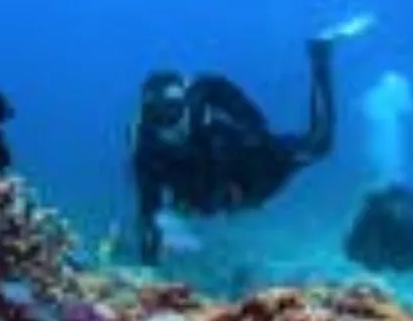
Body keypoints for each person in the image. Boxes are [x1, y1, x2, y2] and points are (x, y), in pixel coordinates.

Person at [128, 14, 373, 265]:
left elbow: (237, 105)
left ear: (184, 103)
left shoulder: (203, 96)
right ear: (146, 114)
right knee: (192, 203)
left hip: (252, 165)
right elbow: (148, 204)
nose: (168, 123)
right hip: (211, 191)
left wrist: (252, 141)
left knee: (320, 143)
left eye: (173, 110)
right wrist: (150, 254)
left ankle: (319, 56)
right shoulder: (145, 146)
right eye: (156, 114)